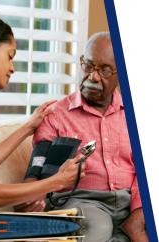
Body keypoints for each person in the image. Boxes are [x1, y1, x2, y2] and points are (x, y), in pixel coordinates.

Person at [15, 32, 148, 242]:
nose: (93, 77)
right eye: (88, 66)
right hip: (83, 203)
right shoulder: (55, 115)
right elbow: (37, 170)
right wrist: (28, 196)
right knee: (96, 225)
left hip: (131, 201)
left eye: (104, 71)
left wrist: (140, 211)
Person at [0, 11, 86, 239]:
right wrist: (58, 180)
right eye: (10, 56)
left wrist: (27, 128)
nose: (12, 68)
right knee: (68, 228)